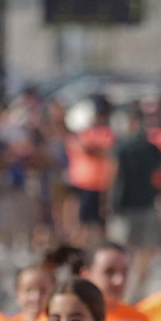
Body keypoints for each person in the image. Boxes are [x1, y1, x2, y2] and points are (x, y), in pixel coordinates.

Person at [67, 98, 116, 245]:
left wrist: (92, 148)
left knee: (101, 223)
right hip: (82, 185)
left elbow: (108, 151)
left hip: (101, 185)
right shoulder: (79, 133)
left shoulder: (107, 132)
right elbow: (79, 148)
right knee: (82, 223)